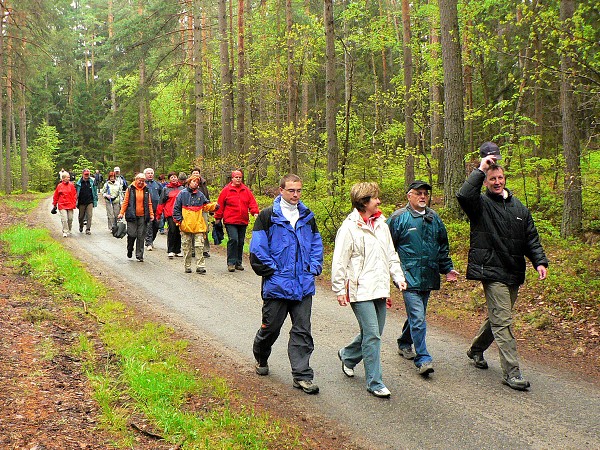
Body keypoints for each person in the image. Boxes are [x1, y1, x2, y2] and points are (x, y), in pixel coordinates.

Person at [456, 143, 548, 391]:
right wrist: (480, 168)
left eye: (500, 177)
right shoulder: (480, 206)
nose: (496, 182)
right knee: (504, 321)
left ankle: (475, 349)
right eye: (491, 178)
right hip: (492, 271)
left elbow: (531, 238)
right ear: (485, 182)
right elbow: (464, 195)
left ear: (505, 179)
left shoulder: (519, 208)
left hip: (513, 272)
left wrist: (539, 261)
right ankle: (512, 372)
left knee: (498, 318)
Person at [331, 182, 406, 398]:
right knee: (373, 335)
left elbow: (391, 255)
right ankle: (375, 382)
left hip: (380, 288)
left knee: (373, 332)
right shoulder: (348, 228)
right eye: (375, 198)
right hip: (360, 290)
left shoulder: (382, 224)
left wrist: (398, 278)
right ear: (364, 202)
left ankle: (348, 355)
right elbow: (340, 261)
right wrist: (339, 289)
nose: (379, 201)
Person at [250, 174, 323, 394]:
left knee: (302, 331)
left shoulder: (307, 216)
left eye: (299, 190)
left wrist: (313, 267)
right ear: (281, 190)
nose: (296, 195)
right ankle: (261, 356)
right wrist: (274, 272)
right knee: (271, 328)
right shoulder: (267, 216)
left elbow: (316, 244)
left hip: (303, 285)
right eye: (291, 190)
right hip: (277, 286)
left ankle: (302, 376)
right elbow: (258, 250)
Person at [387, 180, 459, 376]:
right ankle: (423, 359)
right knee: (418, 317)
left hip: (428, 274)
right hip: (407, 277)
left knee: (417, 316)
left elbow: (442, 245)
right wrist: (389, 274)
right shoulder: (398, 218)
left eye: (425, 194)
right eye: (418, 193)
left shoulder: (434, 218)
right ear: (409, 195)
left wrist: (447, 268)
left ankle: (404, 342)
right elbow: (385, 248)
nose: (422, 197)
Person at [215, 170, 260, 272]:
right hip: (230, 220)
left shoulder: (246, 190)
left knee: (240, 241)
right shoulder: (226, 190)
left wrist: (255, 212)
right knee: (233, 239)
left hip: (243, 220)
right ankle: (231, 262)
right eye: (236, 177)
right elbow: (220, 205)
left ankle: (238, 262)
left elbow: (252, 203)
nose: (238, 179)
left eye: (240, 177)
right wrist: (218, 218)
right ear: (232, 178)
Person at [173, 175, 219, 274]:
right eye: (193, 181)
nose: (195, 183)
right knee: (187, 247)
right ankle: (187, 265)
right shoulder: (182, 194)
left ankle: (200, 266)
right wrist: (179, 221)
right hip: (186, 225)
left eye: (197, 182)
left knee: (199, 246)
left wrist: (214, 206)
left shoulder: (200, 195)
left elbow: (206, 206)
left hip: (198, 225)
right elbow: (176, 209)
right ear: (189, 182)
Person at [118, 173, 154, 262]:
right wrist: (121, 213)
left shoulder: (146, 190)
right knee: (132, 234)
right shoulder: (130, 189)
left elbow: (149, 203)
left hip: (143, 216)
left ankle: (139, 255)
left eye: (143, 181)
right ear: (136, 180)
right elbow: (125, 202)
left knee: (141, 235)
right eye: (139, 180)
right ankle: (130, 248)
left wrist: (151, 214)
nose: (141, 182)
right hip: (131, 215)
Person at [156, 172, 185, 258]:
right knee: (172, 230)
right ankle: (171, 250)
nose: (174, 178)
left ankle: (178, 250)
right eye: (172, 177)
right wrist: (158, 214)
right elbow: (161, 202)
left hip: (180, 213)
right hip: (170, 213)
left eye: (175, 177)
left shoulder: (182, 188)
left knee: (179, 231)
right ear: (169, 179)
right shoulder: (166, 189)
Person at [190, 168, 211, 258]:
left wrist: (210, 208)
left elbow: (207, 197)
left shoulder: (203, 184)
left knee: (204, 228)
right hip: (191, 210)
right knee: (192, 229)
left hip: (203, 209)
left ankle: (205, 249)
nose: (196, 174)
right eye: (194, 173)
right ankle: (193, 249)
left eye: (197, 173)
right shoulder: (188, 185)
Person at [143, 167, 163, 251]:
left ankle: (152, 240)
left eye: (151, 173)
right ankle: (148, 242)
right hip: (146, 209)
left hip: (156, 208)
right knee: (149, 225)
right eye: (148, 173)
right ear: (145, 175)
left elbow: (162, 196)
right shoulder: (143, 184)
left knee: (156, 225)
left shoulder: (158, 185)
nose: (150, 174)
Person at [52, 172, 77, 237]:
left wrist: (74, 202)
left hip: (70, 204)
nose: (69, 178)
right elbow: (56, 196)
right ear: (63, 178)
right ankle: (65, 231)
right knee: (64, 219)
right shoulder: (59, 186)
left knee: (70, 218)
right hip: (62, 204)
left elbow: (74, 194)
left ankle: (69, 229)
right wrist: (54, 204)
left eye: (69, 177)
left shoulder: (71, 185)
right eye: (67, 177)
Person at [75, 168, 98, 235]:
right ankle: (81, 226)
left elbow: (95, 191)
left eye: (88, 174)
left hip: (89, 201)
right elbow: (76, 193)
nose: (86, 176)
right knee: (81, 216)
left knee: (89, 215)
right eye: (85, 174)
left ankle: (88, 229)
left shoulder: (92, 182)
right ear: (83, 174)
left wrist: (95, 199)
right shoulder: (79, 183)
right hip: (81, 202)